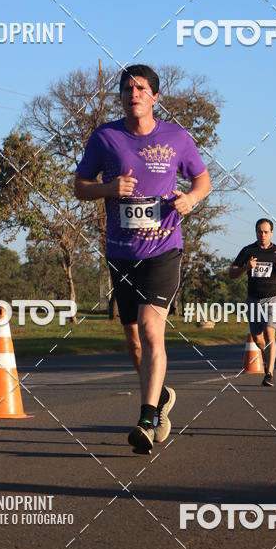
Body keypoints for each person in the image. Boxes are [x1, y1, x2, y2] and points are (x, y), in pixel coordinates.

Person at [74, 64, 211, 453]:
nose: (133, 94)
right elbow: (79, 186)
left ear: (155, 96)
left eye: (140, 88)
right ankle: (162, 397)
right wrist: (108, 188)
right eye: (127, 89)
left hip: (164, 248)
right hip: (121, 252)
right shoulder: (105, 137)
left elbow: (203, 180)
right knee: (134, 342)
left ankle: (147, 420)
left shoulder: (177, 137)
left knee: (152, 329)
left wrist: (191, 199)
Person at [229, 219, 276, 385]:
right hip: (253, 299)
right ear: (256, 232)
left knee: (269, 333)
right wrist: (245, 268)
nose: (262, 235)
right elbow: (232, 273)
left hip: (272, 298)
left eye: (265, 232)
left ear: (271, 233)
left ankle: (269, 373)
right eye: (259, 231)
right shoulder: (248, 251)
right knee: (258, 338)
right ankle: (268, 359)